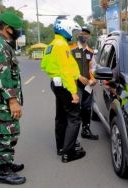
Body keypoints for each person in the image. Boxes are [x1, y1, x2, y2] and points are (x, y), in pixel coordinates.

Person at [0, 11, 26, 185]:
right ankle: (3, 172)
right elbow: (4, 76)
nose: (18, 31)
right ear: (8, 28)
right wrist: (13, 101)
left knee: (11, 132)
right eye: (16, 29)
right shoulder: (0, 45)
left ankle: (7, 163)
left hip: (3, 100)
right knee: (5, 134)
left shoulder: (4, 44)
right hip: (3, 101)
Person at [41, 16, 86, 163]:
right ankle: (68, 153)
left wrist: (76, 75)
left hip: (56, 84)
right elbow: (66, 70)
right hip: (65, 85)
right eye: (72, 30)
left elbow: (44, 65)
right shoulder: (62, 46)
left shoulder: (52, 45)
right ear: (65, 29)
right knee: (74, 117)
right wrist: (73, 92)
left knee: (61, 116)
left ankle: (61, 147)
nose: (72, 33)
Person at [71, 26, 98, 140]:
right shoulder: (71, 49)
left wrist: (93, 79)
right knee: (76, 108)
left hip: (87, 85)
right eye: (82, 33)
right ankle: (72, 136)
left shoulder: (90, 52)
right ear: (78, 35)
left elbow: (92, 68)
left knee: (87, 108)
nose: (84, 35)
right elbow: (67, 67)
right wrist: (78, 76)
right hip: (74, 84)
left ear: (89, 36)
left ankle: (86, 130)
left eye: (86, 33)